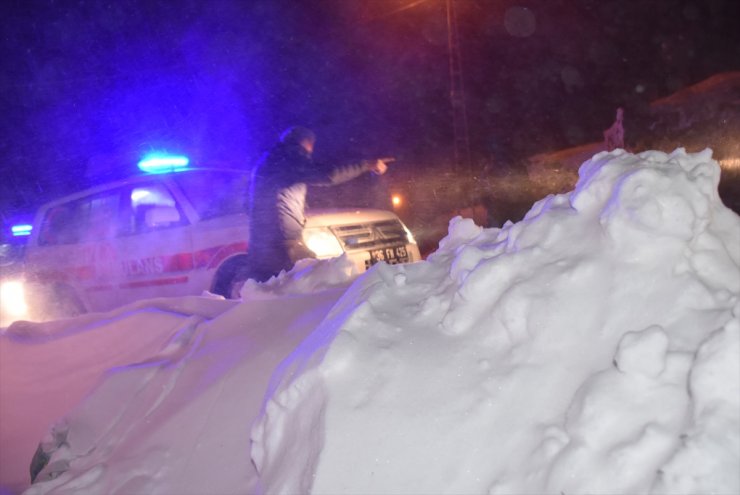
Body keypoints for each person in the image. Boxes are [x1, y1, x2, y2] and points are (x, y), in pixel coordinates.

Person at [244, 126, 390, 282]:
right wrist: (367, 164)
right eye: (310, 147)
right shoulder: (291, 157)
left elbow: (247, 203)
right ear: (306, 143)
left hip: (260, 244)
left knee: (269, 292)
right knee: (318, 279)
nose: (310, 153)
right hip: (282, 242)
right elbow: (329, 175)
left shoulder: (267, 162)